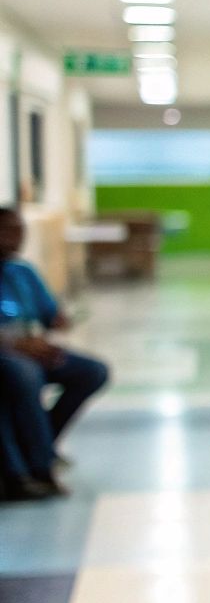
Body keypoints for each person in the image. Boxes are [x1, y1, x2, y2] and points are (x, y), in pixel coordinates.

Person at [0, 206, 108, 497]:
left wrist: (58, 320)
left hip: (32, 351)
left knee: (92, 371)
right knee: (24, 375)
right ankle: (36, 468)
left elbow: (48, 314)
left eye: (19, 231)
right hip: (9, 356)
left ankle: (38, 445)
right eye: (6, 232)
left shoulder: (22, 272)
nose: (14, 239)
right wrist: (15, 345)